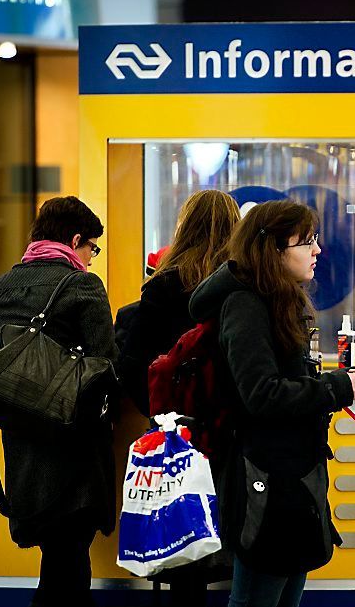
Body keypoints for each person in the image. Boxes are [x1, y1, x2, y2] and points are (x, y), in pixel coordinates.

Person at [188, 200, 355, 607]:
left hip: (294, 473)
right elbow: (261, 394)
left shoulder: (279, 302)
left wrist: (333, 387)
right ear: (272, 249)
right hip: (266, 477)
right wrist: (336, 388)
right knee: (257, 597)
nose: (317, 250)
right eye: (306, 241)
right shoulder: (246, 305)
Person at [0, 196, 117, 607]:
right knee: (70, 565)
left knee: (59, 560)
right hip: (72, 447)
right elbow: (105, 365)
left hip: (22, 444)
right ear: (76, 240)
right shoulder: (82, 285)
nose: (92, 258)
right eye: (92, 247)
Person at [117, 189, 241, 607]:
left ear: (183, 227)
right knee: (238, 535)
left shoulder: (164, 285)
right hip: (231, 430)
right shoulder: (240, 285)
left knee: (183, 541)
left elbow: (131, 361)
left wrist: (160, 414)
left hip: (178, 435)